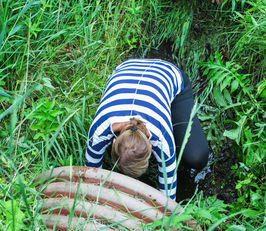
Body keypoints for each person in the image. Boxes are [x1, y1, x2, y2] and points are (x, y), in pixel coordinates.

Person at [85, 59, 209, 200]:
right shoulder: (98, 132)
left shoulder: (162, 139)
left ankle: (170, 101)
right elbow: (91, 180)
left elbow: (168, 200)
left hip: (165, 73)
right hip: (126, 69)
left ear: (150, 146)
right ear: (113, 142)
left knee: (196, 157)